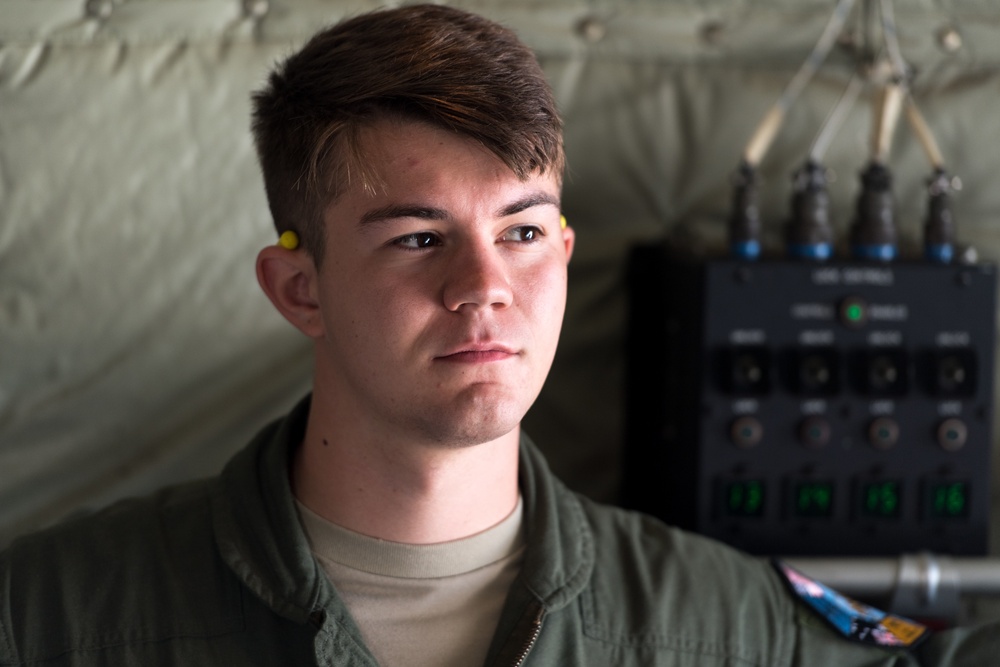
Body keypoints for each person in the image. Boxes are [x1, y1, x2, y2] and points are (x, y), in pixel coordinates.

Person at [0, 4, 997, 666]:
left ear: (562, 251)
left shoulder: (719, 624)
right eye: (417, 238)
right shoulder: (58, 616)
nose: (483, 286)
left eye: (520, 232)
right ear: (298, 288)